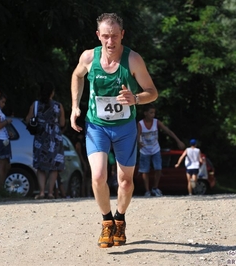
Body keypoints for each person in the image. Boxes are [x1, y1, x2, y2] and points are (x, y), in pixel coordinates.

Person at [70, 13, 158, 248]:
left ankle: (120, 218)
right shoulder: (89, 57)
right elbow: (77, 76)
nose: (110, 42)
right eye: (106, 36)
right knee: (98, 176)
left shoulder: (133, 60)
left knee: (125, 182)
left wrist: (136, 98)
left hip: (125, 128)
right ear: (98, 36)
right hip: (96, 125)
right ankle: (107, 222)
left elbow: (152, 91)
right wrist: (74, 107)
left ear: (122, 35)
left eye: (115, 36)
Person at [26, 82, 65, 200]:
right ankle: (50, 192)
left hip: (41, 137)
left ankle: (42, 192)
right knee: (54, 167)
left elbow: (28, 119)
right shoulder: (58, 106)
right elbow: (62, 123)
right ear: (52, 92)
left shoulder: (36, 105)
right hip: (55, 138)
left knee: (41, 166)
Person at [137, 103, 185, 197]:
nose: (153, 115)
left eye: (154, 113)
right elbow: (137, 134)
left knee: (158, 168)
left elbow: (168, 131)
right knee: (145, 170)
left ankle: (155, 188)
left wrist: (178, 141)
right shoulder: (140, 124)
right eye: (151, 113)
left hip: (155, 149)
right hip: (144, 150)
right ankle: (147, 190)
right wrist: (138, 142)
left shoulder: (156, 122)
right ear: (145, 113)